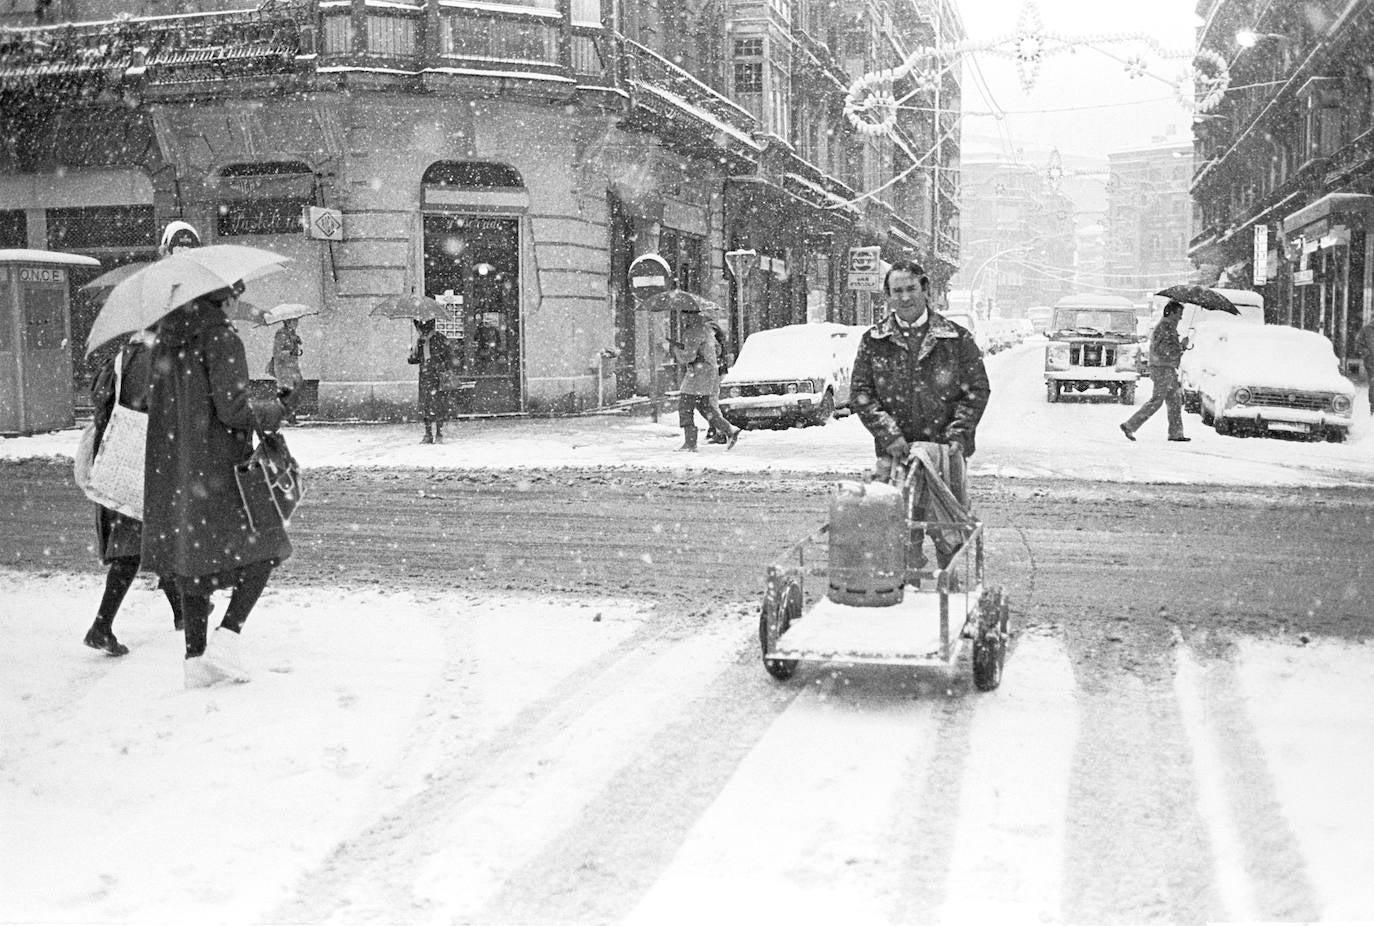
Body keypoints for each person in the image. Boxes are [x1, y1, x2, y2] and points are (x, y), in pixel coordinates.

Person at [142, 284, 292, 689]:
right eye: (236, 293)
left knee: (193, 563)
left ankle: (195, 661)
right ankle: (227, 638)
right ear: (223, 298)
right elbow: (232, 410)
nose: (238, 301)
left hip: (177, 466)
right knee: (266, 547)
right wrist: (275, 408)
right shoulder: (221, 337)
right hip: (218, 466)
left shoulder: (167, 338)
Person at [850, 260, 990, 567]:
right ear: (887, 296)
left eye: (911, 288)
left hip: (944, 455)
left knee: (951, 535)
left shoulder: (956, 338)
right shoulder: (874, 341)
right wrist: (889, 435)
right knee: (899, 537)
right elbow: (861, 394)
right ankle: (905, 588)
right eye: (897, 291)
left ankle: (950, 590)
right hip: (895, 456)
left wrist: (957, 434)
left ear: (925, 289)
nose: (905, 297)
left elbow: (977, 390)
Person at [82, 331, 185, 657]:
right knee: (132, 546)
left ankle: (181, 611)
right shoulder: (151, 358)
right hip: (138, 464)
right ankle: (101, 627)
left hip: (120, 458)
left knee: (159, 534)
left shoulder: (123, 356)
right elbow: (153, 409)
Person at [666, 297, 741, 452]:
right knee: (703, 405)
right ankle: (729, 429)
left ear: (690, 316)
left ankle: (690, 443)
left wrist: (676, 349)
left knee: (685, 406)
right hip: (708, 372)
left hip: (697, 374)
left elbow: (689, 357)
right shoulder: (705, 329)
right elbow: (714, 350)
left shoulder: (692, 331)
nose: (682, 318)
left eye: (684, 315)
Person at [1121, 300, 1190, 442]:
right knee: (1157, 401)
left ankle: (1176, 433)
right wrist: (1181, 347)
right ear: (1171, 313)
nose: (1180, 317)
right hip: (1162, 369)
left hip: (1167, 368)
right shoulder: (1165, 327)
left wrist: (1180, 347)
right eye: (1179, 314)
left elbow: (1166, 348)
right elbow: (1162, 350)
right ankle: (1130, 425)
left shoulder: (1168, 327)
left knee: (1175, 401)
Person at [408, 317, 452, 443]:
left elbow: (448, 356)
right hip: (425, 377)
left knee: (438, 405)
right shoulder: (420, 341)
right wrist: (411, 354)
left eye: (420, 329)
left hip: (437, 376)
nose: (419, 332)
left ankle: (438, 433)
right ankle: (428, 434)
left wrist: (438, 364)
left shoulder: (440, 338)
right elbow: (416, 360)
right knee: (426, 405)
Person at [267, 316, 304, 424]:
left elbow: (292, 349)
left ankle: (288, 415)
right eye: (294, 321)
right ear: (288, 322)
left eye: (297, 320)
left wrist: (296, 341)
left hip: (292, 367)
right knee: (288, 392)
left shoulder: (292, 334)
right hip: (283, 368)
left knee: (295, 390)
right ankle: (289, 417)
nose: (296, 323)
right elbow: (277, 352)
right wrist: (289, 352)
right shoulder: (281, 334)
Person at [1355, 316, 1374, 412]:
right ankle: (1373, 406)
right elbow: (1358, 344)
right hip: (1371, 362)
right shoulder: (1366, 330)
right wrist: (1366, 352)